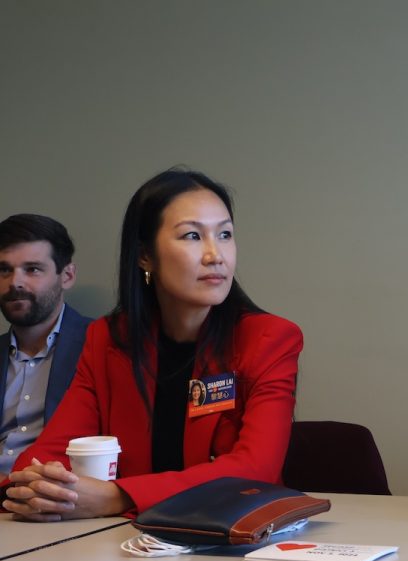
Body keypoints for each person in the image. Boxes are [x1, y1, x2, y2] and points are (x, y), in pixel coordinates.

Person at [1, 168, 302, 520]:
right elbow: (51, 451)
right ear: (145, 256)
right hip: (128, 542)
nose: (214, 255)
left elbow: (255, 469)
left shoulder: (270, 339)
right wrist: (34, 484)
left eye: (224, 235)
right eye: (192, 235)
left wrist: (119, 496)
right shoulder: (108, 339)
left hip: (231, 534)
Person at [0, 214, 91, 480]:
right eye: (4, 270)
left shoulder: (100, 345)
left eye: (32, 269)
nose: (15, 282)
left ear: (67, 276)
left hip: (56, 497)